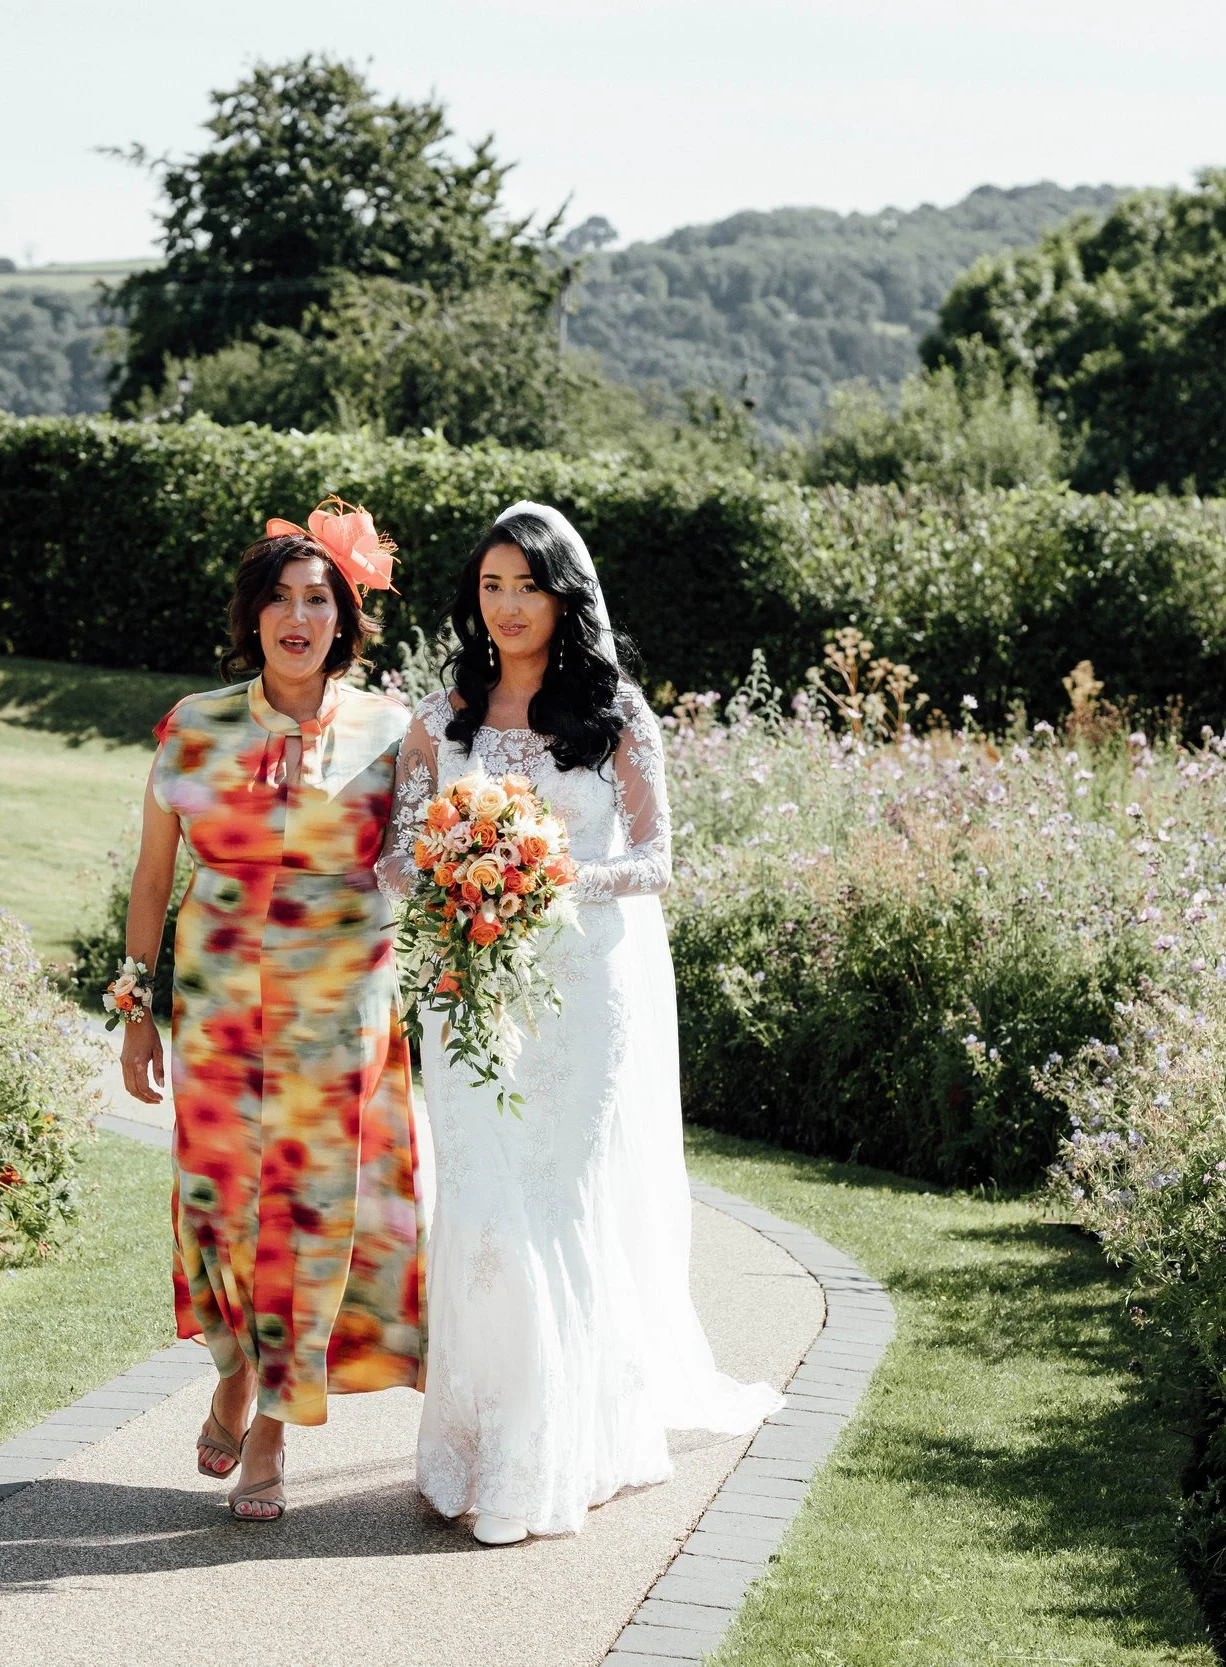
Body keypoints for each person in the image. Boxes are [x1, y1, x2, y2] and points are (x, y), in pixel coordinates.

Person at [380, 501, 781, 1545]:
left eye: (527, 584)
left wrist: (541, 871)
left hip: (578, 993)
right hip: (467, 990)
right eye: (490, 586)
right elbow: (391, 853)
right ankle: (472, 1440)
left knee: (554, 1201)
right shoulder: (442, 716)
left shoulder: (616, 712)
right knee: (478, 1201)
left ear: (565, 592)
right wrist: (449, 865)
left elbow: (654, 859)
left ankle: (554, 1448)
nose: (507, 606)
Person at [116, 502, 426, 1524]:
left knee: (309, 1211)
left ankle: (273, 1430)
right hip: (215, 1010)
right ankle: (233, 1369)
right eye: (281, 600)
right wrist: (137, 1011)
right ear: (251, 617)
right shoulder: (192, 723)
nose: (300, 617)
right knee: (218, 1205)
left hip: (337, 1013)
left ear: (346, 618)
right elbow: (154, 878)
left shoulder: (393, 732)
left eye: (319, 600)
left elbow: (417, 871)